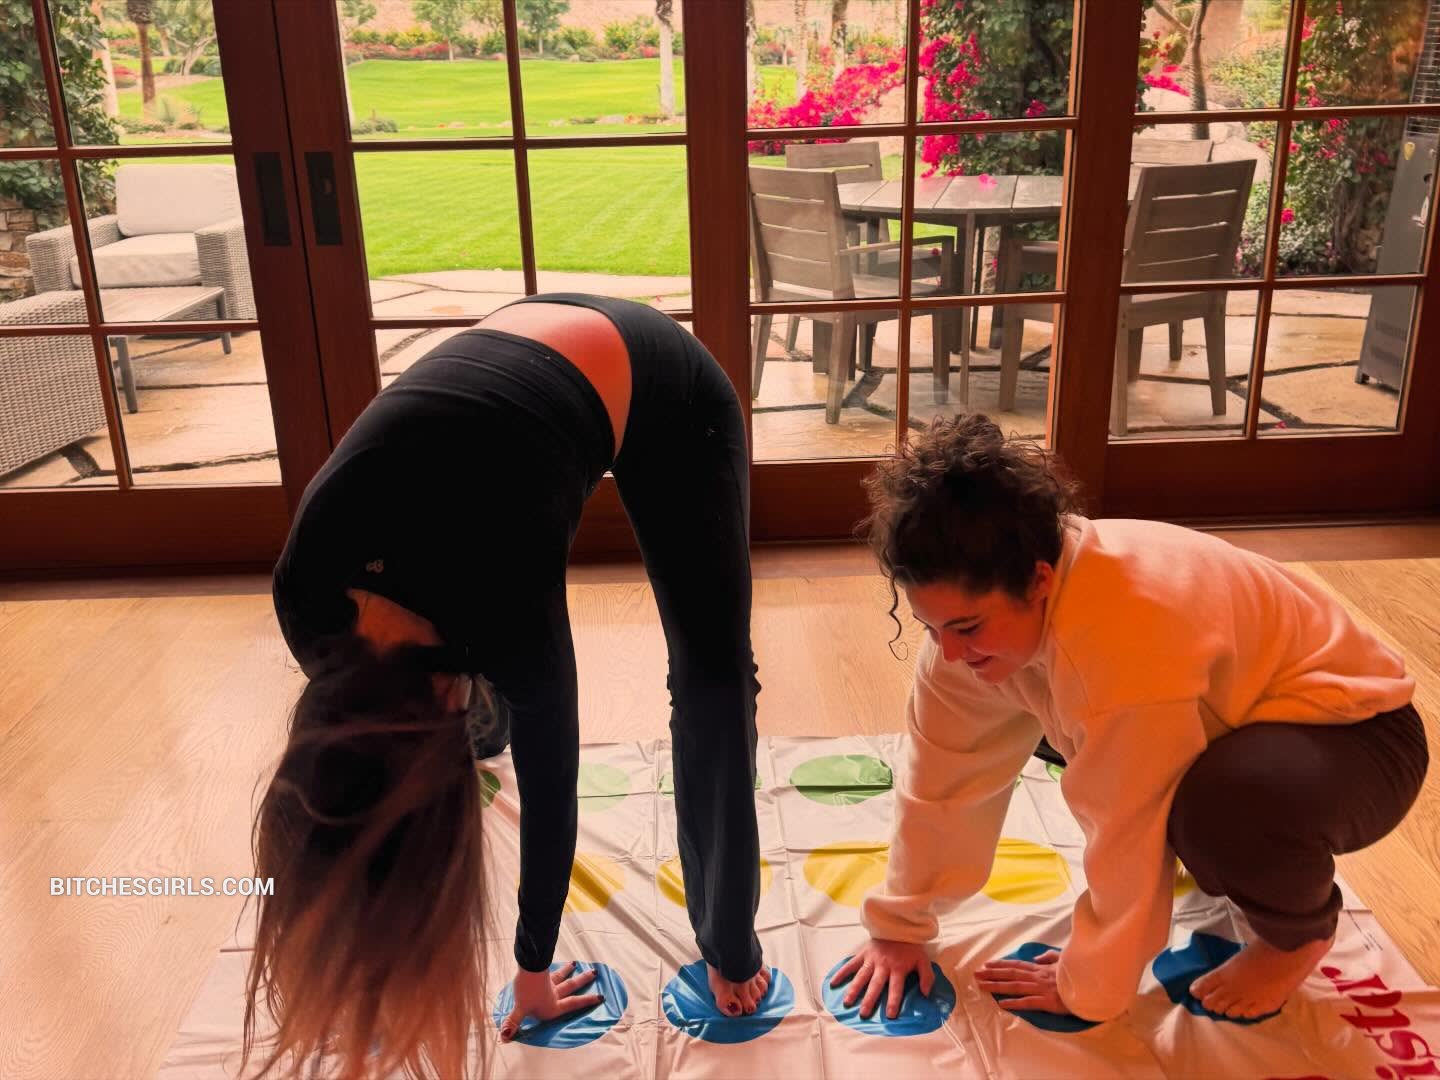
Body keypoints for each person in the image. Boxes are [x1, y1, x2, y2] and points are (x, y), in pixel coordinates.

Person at [245, 294, 769, 1079]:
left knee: (714, 681)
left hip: (665, 387)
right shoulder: (305, 597)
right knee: (481, 709)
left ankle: (728, 940)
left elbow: (554, 793)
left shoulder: (505, 603)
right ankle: (476, 719)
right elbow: (342, 792)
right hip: (517, 371)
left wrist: (532, 966)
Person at [833, 414, 1426, 1025]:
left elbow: (1126, 827)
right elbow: (942, 778)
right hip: (1241, 720)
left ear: (1038, 581)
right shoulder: (993, 613)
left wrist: (1087, 983)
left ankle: (1298, 936)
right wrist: (900, 926)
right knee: (1062, 734)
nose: (950, 652)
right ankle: (1252, 853)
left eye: (967, 628)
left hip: (1362, 738)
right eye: (932, 626)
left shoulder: (1118, 646)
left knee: (1213, 812)